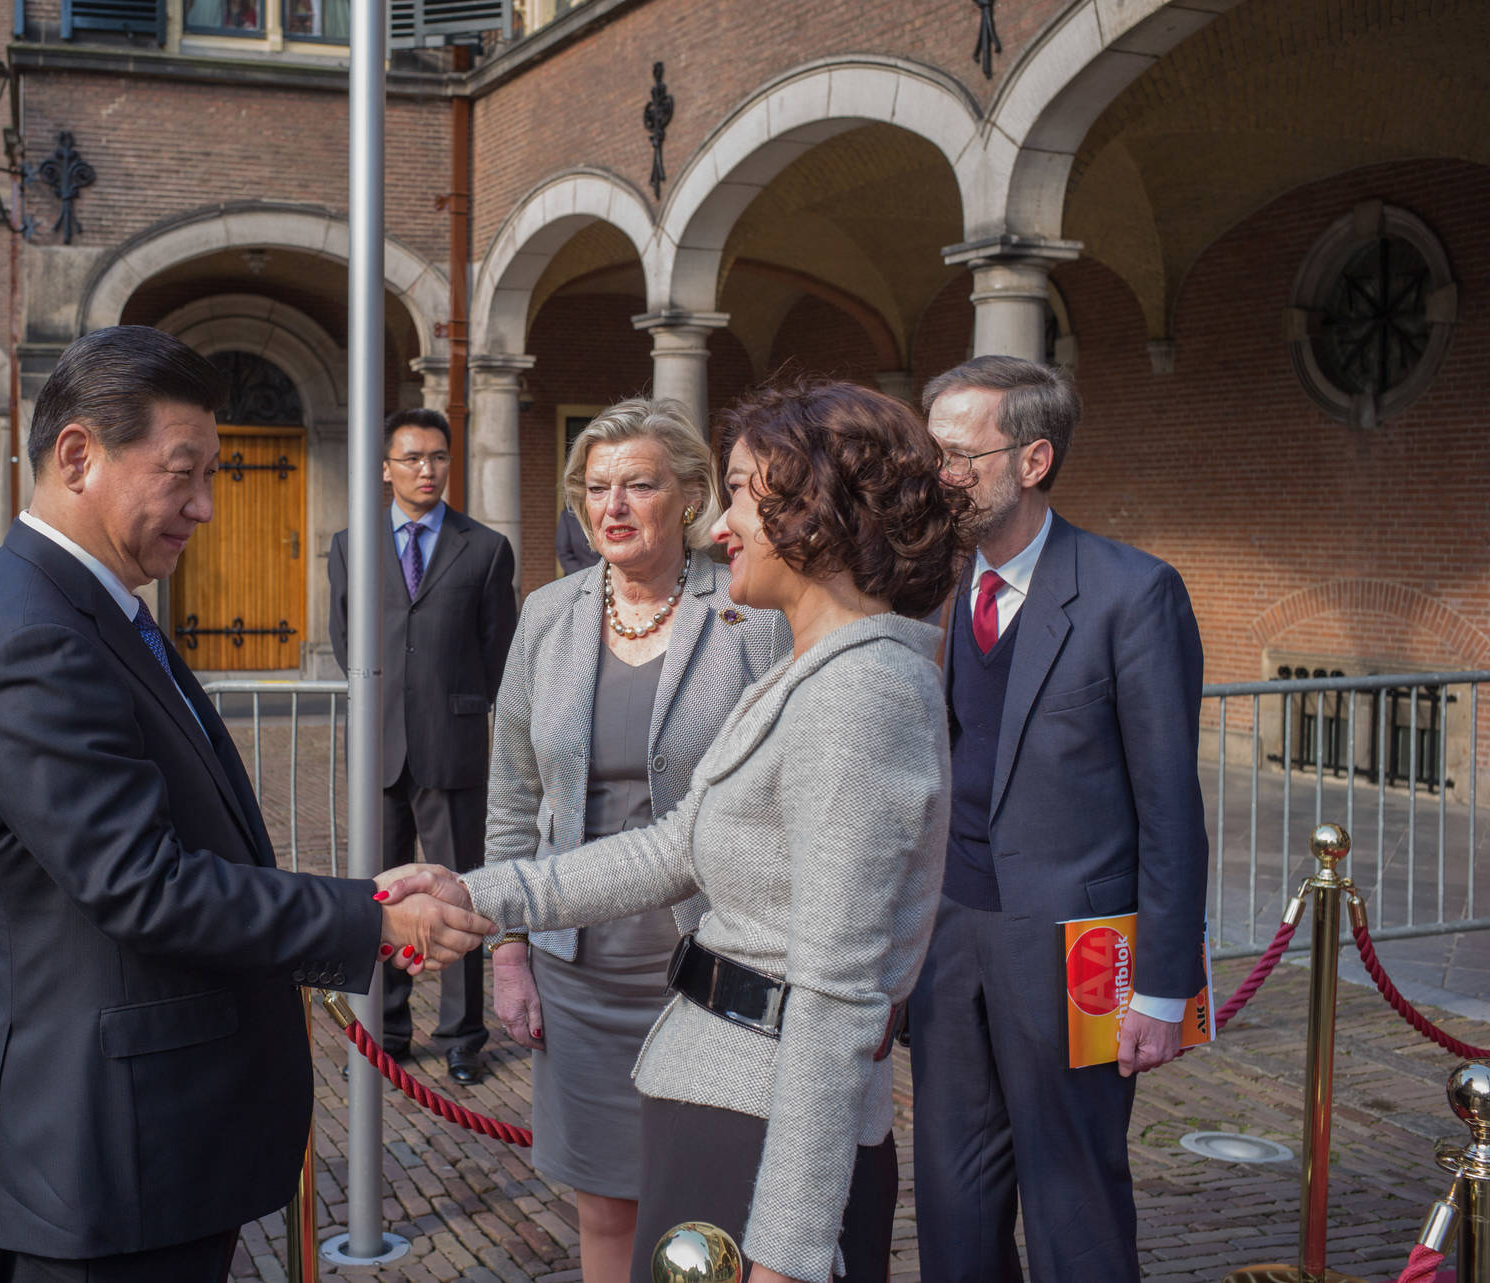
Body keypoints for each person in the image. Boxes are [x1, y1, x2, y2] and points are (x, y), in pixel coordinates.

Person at [0, 325, 490, 1282]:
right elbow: (143, 884)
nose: (203, 505)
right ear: (78, 455)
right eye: (181, 472)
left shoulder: (84, 605)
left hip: (149, 1146)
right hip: (108, 1157)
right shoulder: (38, 636)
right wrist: (367, 916)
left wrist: (357, 896)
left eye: (214, 474)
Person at [399, 379, 968, 1283]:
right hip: (710, 1076)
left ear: (814, 511)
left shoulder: (859, 693)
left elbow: (836, 996)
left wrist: (785, 1251)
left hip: (755, 1099)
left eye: (740, 494)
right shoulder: (818, 671)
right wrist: (478, 892)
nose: (720, 528)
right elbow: (672, 847)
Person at [905, 355, 1208, 1282]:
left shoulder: (1133, 593)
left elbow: (1170, 808)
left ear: (1033, 460)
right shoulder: (930, 591)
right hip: (948, 944)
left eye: (961, 456)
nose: (940, 475)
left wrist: (1162, 990)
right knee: (954, 1201)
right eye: (934, 453)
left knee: (1074, 1206)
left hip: (1076, 950)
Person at [483, 397, 788, 1281]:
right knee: (605, 1206)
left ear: (690, 496)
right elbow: (513, 796)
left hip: (712, 968)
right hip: (577, 972)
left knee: (710, 1204)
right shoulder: (547, 616)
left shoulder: (748, 614)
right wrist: (509, 952)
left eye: (638, 485)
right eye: (595, 486)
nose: (611, 505)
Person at [325, 407, 518, 1084]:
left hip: (453, 744)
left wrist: (475, 712)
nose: (426, 469)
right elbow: (347, 640)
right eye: (412, 457)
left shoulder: (486, 548)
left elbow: (501, 654)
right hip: (378, 748)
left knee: (460, 893)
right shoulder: (352, 544)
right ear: (386, 467)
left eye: (438, 456)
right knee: (378, 899)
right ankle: (389, 1028)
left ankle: (464, 1032)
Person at [554, 505, 593, 576]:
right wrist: (583, 575)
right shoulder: (568, 516)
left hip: (606, 575)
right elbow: (563, 552)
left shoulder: (604, 512)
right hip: (577, 575)